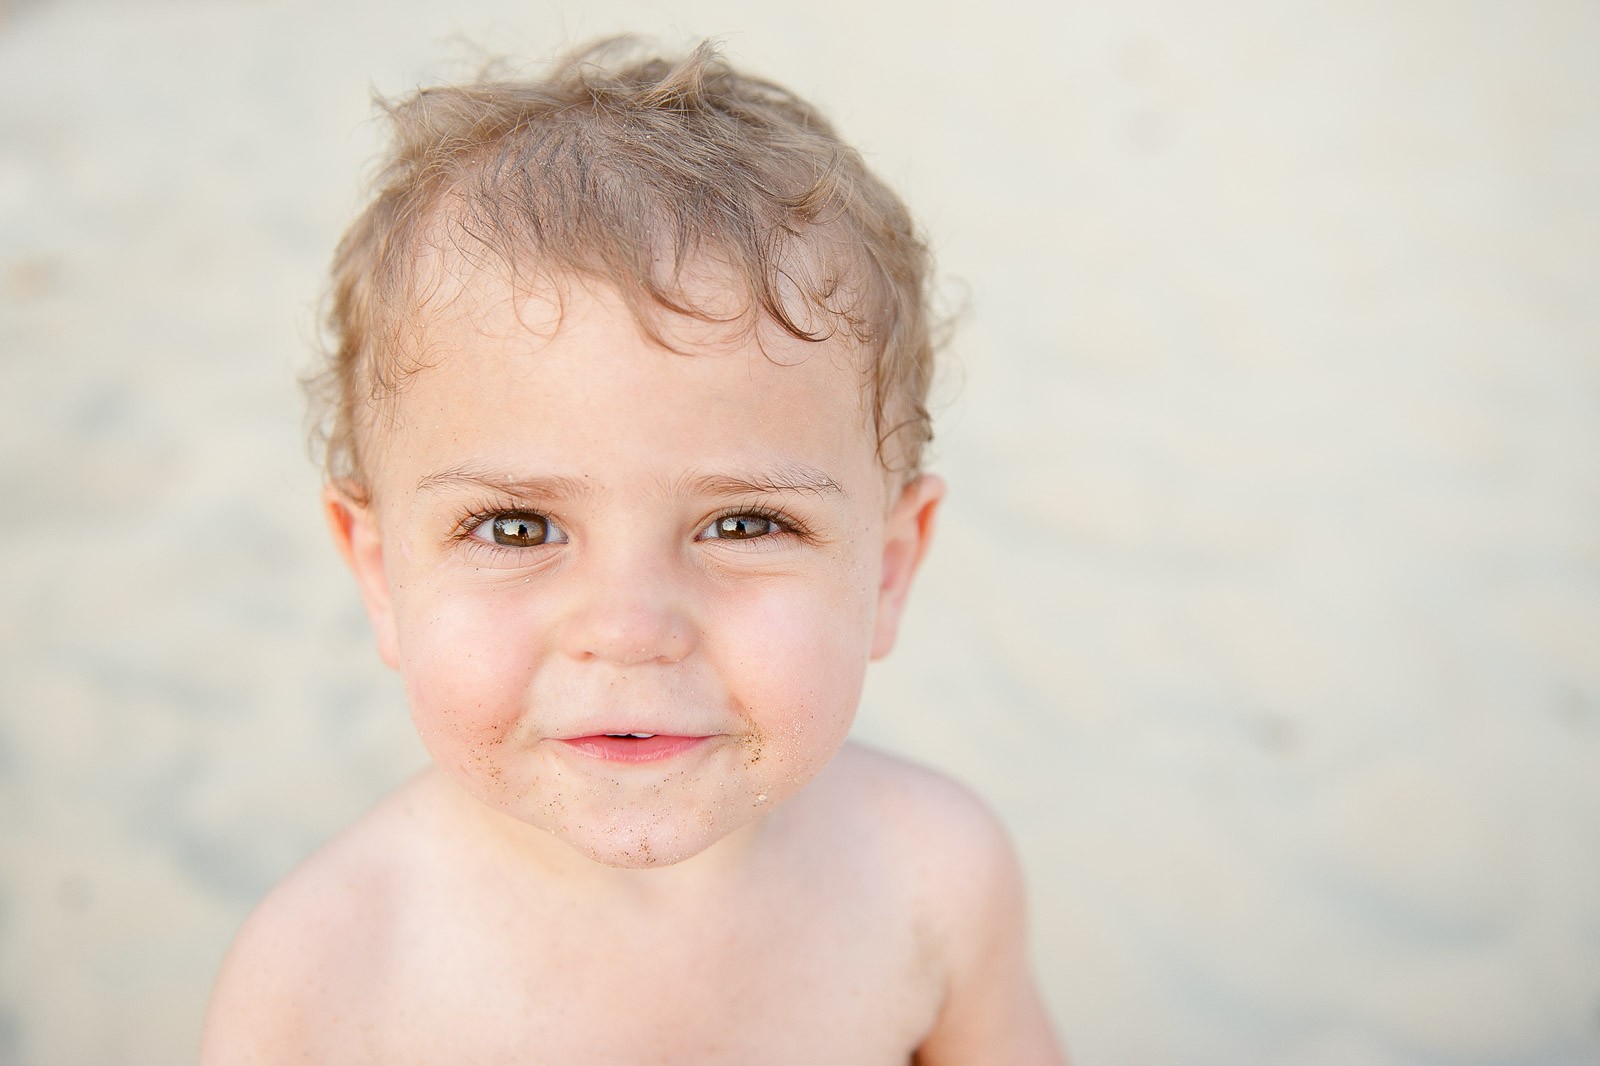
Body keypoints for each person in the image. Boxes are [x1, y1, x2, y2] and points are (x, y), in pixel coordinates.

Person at [201, 37, 1065, 1065]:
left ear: (886, 567)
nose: (628, 629)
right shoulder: (322, 980)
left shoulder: (935, 879)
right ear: (381, 572)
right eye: (517, 527)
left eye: (743, 524)